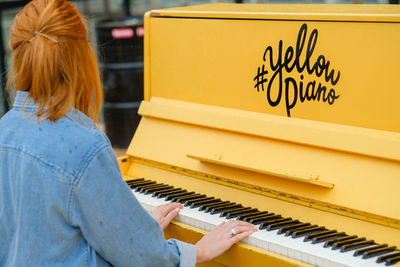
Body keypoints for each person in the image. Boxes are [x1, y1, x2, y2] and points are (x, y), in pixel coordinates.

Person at [0, 0, 257, 266]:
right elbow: (143, 259)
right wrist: (198, 251)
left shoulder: (5, 130)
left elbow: (51, 236)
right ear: (83, 57)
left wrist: (138, 232)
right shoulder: (84, 147)